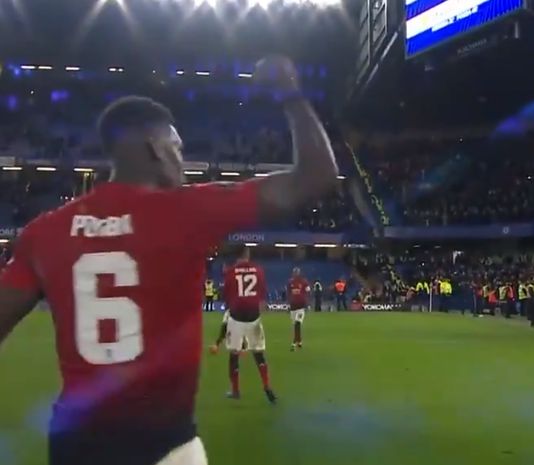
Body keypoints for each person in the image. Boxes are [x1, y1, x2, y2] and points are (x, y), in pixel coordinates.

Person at [0, 56, 338, 465]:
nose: (182, 159)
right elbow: (317, 175)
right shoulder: (188, 211)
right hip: (162, 444)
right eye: (178, 147)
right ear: (157, 149)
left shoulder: (44, 232)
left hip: (74, 445)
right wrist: (291, 93)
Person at [209, 248, 276, 403]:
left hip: (237, 317)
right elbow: (261, 293)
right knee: (258, 354)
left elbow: (225, 294)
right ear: (247, 255)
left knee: (234, 355)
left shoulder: (230, 272)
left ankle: (235, 390)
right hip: (254, 317)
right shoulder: (258, 270)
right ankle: (267, 386)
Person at [288, 267, 310, 351]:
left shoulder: (304, 282)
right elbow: (289, 293)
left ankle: (293, 343)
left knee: (298, 323)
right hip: (293, 307)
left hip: (301, 306)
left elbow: (308, 291)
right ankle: (299, 341)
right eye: (295, 272)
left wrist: (307, 303)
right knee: (295, 325)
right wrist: (289, 303)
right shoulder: (290, 282)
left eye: (297, 272)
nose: (296, 274)